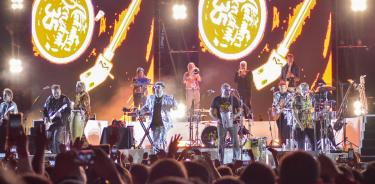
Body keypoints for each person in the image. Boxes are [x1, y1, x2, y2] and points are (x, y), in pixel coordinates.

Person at [140, 82, 177, 152]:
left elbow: (175, 108)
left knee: (162, 140)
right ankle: (156, 157)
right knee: (155, 143)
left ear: (162, 88)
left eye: (158, 87)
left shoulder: (167, 98)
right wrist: (140, 112)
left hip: (164, 123)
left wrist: (173, 101)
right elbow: (146, 107)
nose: (156, 89)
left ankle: (164, 157)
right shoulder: (150, 98)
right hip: (154, 124)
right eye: (155, 87)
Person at [210, 83, 242, 163]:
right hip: (221, 124)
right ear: (222, 90)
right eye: (226, 89)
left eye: (229, 89)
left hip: (233, 123)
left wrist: (235, 116)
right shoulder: (217, 99)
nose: (228, 91)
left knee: (235, 142)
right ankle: (221, 161)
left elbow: (240, 110)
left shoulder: (233, 99)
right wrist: (216, 119)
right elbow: (210, 111)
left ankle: (236, 161)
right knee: (221, 142)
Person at [43, 84, 71, 154]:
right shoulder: (49, 99)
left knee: (56, 138)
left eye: (57, 93)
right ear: (52, 92)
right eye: (54, 93)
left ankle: (57, 157)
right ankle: (51, 155)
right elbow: (44, 110)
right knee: (48, 137)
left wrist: (62, 115)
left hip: (61, 123)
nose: (56, 94)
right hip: (51, 123)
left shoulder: (65, 99)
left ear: (60, 91)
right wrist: (46, 118)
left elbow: (69, 111)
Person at [293, 82, 315, 150]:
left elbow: (312, 109)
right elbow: (294, 113)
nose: (304, 91)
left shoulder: (309, 99)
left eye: (306, 89)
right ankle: (300, 159)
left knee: (313, 144)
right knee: (301, 145)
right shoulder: (297, 99)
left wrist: (311, 111)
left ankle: (313, 159)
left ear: (308, 90)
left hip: (309, 124)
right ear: (300, 89)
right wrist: (300, 124)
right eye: (303, 89)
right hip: (300, 125)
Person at [271, 80, 293, 146]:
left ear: (286, 87)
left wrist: (284, 109)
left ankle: (287, 144)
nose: (282, 88)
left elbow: (291, 106)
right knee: (280, 131)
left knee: (287, 130)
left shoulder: (289, 95)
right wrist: (279, 108)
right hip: (279, 115)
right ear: (279, 87)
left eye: (283, 87)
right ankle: (282, 143)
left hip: (287, 115)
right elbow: (275, 104)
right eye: (280, 87)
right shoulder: (276, 94)